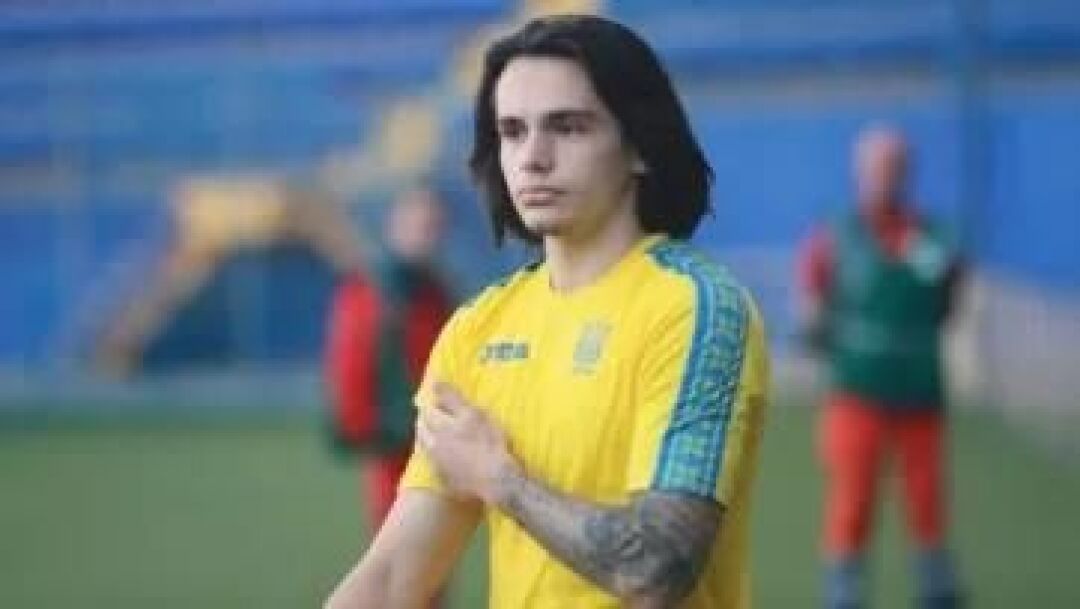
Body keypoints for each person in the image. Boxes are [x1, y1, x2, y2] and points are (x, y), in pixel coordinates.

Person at [325, 15, 769, 609]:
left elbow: (657, 566)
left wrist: (501, 482)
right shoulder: (477, 329)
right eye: (512, 131)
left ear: (639, 146)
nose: (532, 157)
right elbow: (391, 578)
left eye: (568, 127)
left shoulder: (696, 308)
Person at [797, 126, 965, 609]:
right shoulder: (835, 234)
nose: (883, 177)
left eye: (893, 167)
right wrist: (817, 329)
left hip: (919, 389)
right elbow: (812, 296)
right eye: (875, 167)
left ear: (907, 173)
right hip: (856, 389)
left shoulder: (932, 235)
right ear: (859, 172)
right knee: (852, 495)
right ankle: (843, 592)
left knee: (927, 497)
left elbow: (950, 292)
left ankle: (936, 587)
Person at [324, 187, 453, 529]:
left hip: (431, 434)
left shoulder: (435, 290)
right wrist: (361, 426)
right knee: (397, 533)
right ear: (395, 224)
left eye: (434, 227)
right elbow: (349, 364)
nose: (427, 236)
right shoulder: (371, 290)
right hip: (391, 437)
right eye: (419, 225)